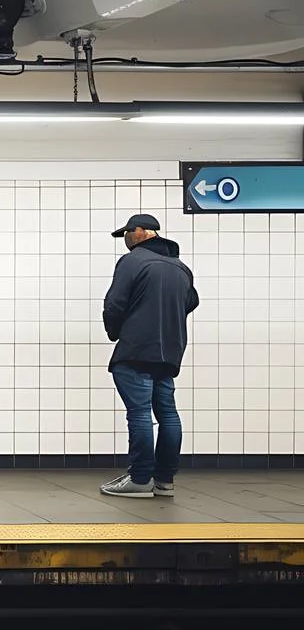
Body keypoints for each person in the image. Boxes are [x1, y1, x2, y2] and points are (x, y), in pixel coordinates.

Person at [101, 214, 199, 499]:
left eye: (128, 233)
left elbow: (115, 303)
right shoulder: (180, 267)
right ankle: (165, 480)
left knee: (140, 412)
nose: (126, 239)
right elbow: (191, 301)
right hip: (170, 350)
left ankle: (140, 478)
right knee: (167, 413)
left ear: (142, 231)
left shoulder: (133, 261)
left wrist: (116, 331)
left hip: (137, 349)